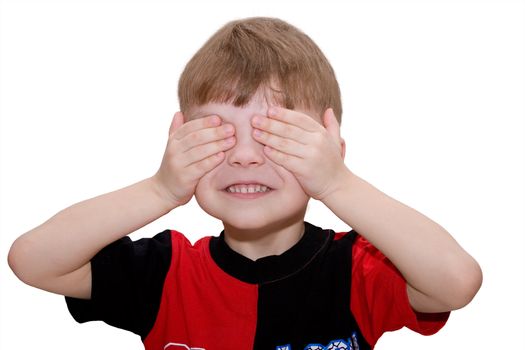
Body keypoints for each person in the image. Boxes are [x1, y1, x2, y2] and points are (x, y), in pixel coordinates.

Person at [8, 17, 482, 350]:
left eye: (276, 135)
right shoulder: (166, 273)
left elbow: (456, 284)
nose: (244, 154)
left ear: (330, 151)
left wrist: (340, 185)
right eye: (218, 134)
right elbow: (32, 260)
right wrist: (160, 189)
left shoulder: (359, 268)